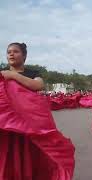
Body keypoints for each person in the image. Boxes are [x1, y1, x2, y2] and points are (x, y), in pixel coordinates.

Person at [0, 42, 75, 179]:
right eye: (9, 51)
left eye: (16, 51)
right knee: (10, 154)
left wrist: (12, 76)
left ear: (24, 56)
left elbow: (38, 85)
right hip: (9, 123)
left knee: (32, 152)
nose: (11, 53)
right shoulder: (2, 73)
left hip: (30, 121)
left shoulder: (31, 73)